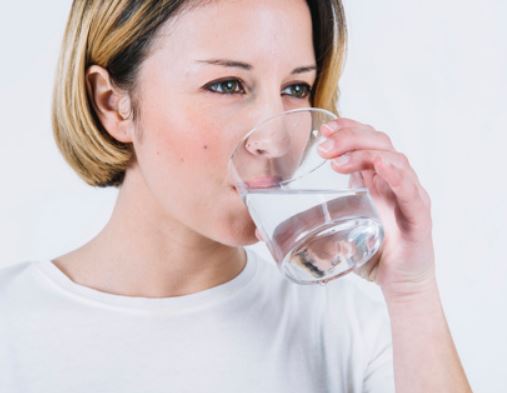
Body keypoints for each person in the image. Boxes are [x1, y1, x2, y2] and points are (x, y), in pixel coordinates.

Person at [0, 0, 472, 392]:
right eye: (226, 85)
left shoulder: (355, 331)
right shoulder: (12, 326)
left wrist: (412, 291)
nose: (278, 139)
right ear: (113, 104)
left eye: (295, 88)